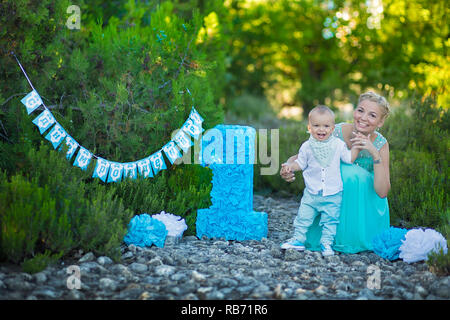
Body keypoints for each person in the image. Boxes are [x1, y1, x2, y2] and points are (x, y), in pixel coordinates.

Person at [281, 91, 391, 254]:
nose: (363, 117)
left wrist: (374, 153)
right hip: (330, 200)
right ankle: (323, 239)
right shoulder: (333, 131)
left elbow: (382, 192)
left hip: (363, 209)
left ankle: (348, 238)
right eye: (360, 110)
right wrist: (287, 166)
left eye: (372, 115)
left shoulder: (381, 144)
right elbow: (302, 157)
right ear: (354, 111)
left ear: (380, 122)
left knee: (351, 175)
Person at [280, 105, 357, 256]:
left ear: (333, 128)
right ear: (309, 127)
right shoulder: (307, 146)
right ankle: (298, 239)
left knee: (330, 221)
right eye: (316, 126)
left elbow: (348, 159)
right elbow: (300, 163)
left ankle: (326, 243)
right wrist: (290, 166)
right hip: (312, 193)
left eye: (326, 126)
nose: (321, 129)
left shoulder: (338, 145)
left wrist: (357, 147)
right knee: (303, 217)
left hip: (333, 193)